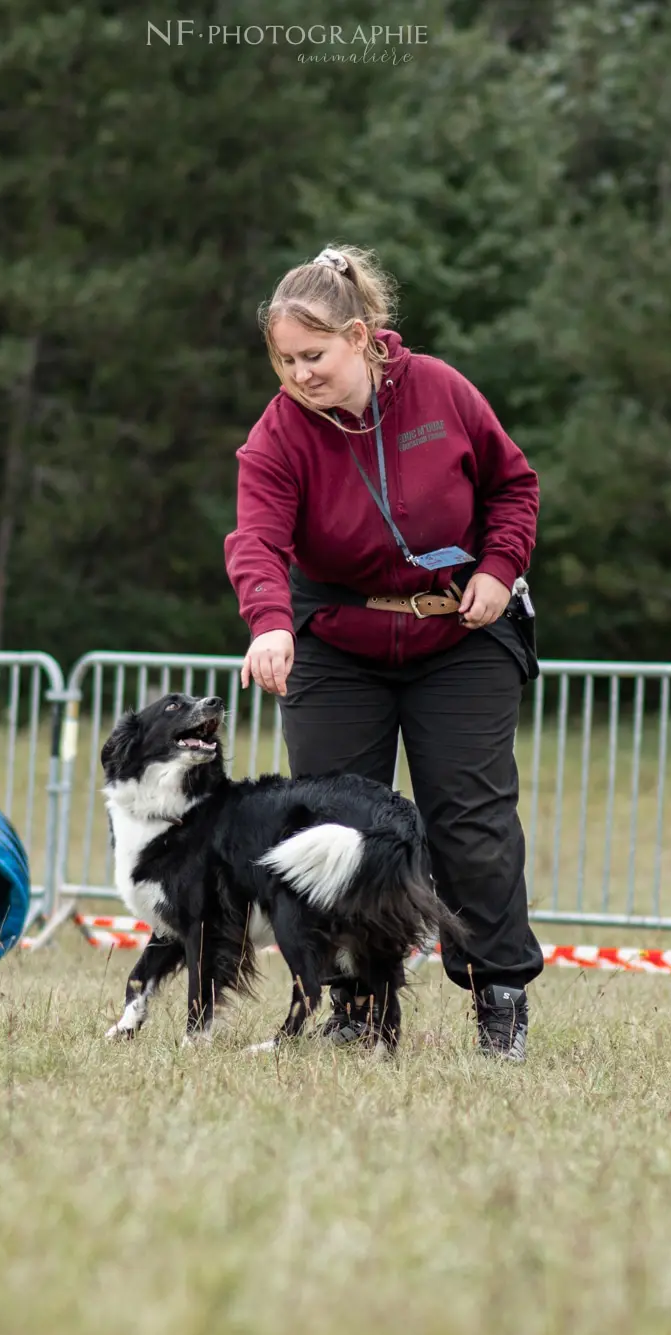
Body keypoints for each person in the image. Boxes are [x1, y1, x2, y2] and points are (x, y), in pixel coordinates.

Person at [223, 243, 544, 1061]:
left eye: (315, 355)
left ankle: (500, 996)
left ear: (361, 337)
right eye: (285, 360)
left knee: (469, 824)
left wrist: (502, 569)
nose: (299, 374)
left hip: (461, 635)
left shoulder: (440, 390)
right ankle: (358, 1008)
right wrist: (269, 623)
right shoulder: (278, 434)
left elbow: (514, 485)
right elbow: (256, 539)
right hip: (338, 641)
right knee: (338, 830)